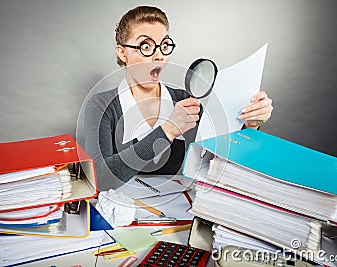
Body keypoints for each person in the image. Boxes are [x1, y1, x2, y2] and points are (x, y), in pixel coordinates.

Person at [85, 6, 273, 191]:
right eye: (146, 46)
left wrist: (250, 125)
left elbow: (225, 159)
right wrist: (168, 130)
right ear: (122, 52)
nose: (159, 55)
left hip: (179, 214)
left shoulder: (184, 101)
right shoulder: (102, 105)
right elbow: (100, 180)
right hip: (120, 215)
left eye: (164, 46)